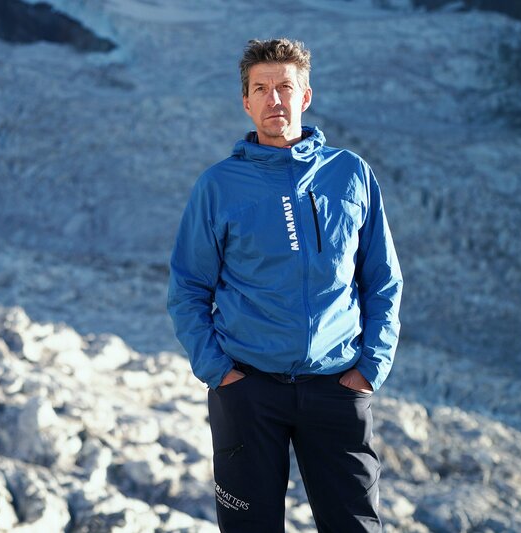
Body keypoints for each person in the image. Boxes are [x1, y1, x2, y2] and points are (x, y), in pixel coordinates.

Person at [166, 38, 403, 532]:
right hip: (248, 391)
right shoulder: (219, 186)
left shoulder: (350, 174)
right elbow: (188, 287)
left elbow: (382, 279)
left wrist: (370, 368)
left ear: (306, 96)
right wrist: (219, 373)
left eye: (285, 87)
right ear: (246, 101)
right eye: (261, 89)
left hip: (338, 387)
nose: (274, 99)